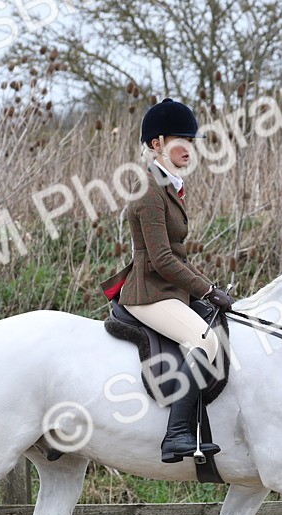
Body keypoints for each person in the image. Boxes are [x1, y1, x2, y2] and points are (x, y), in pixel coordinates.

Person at [99, 98, 234, 463]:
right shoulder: (148, 190)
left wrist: (207, 289)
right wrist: (207, 289)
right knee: (205, 343)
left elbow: (176, 257)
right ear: (156, 144)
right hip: (149, 294)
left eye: (192, 141)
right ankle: (176, 435)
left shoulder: (169, 186)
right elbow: (161, 259)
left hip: (169, 290)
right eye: (180, 141)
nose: (188, 149)